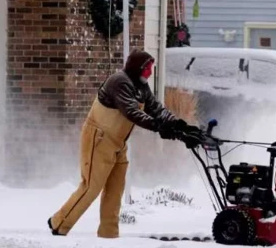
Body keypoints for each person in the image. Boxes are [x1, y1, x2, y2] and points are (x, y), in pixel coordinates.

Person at [47, 49, 204, 238]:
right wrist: (159, 127)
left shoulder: (141, 86)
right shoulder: (119, 82)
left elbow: (156, 109)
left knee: (115, 189)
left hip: (118, 142)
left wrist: (180, 126)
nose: (150, 72)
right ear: (137, 68)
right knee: (91, 187)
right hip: (99, 138)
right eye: (147, 68)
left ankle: (108, 235)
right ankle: (59, 223)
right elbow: (132, 112)